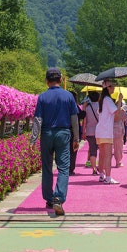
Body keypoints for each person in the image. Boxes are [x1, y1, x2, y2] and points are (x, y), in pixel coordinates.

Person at [33, 68, 80, 215]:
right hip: (63, 133)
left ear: (47, 81)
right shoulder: (68, 96)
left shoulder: (42, 97)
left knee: (47, 167)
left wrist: (33, 138)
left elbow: (37, 119)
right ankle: (58, 198)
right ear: (60, 80)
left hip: (46, 133)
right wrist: (77, 138)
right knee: (63, 167)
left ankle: (48, 198)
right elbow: (74, 118)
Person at [94, 79, 125, 185]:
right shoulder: (107, 99)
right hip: (106, 131)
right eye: (112, 86)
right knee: (107, 155)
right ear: (107, 88)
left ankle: (102, 175)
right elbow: (116, 114)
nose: (114, 88)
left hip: (100, 130)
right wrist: (120, 100)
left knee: (102, 154)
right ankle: (108, 177)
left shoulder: (102, 99)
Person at [104, 79, 126, 168]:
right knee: (118, 148)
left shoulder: (108, 105)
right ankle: (118, 162)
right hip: (117, 130)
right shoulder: (118, 110)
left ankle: (107, 163)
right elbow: (122, 118)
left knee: (110, 148)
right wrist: (120, 100)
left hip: (109, 129)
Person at [82, 90, 101, 173]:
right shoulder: (101, 107)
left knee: (92, 151)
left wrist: (83, 132)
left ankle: (94, 169)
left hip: (90, 132)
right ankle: (101, 167)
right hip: (101, 132)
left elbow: (84, 122)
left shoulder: (87, 108)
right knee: (102, 150)